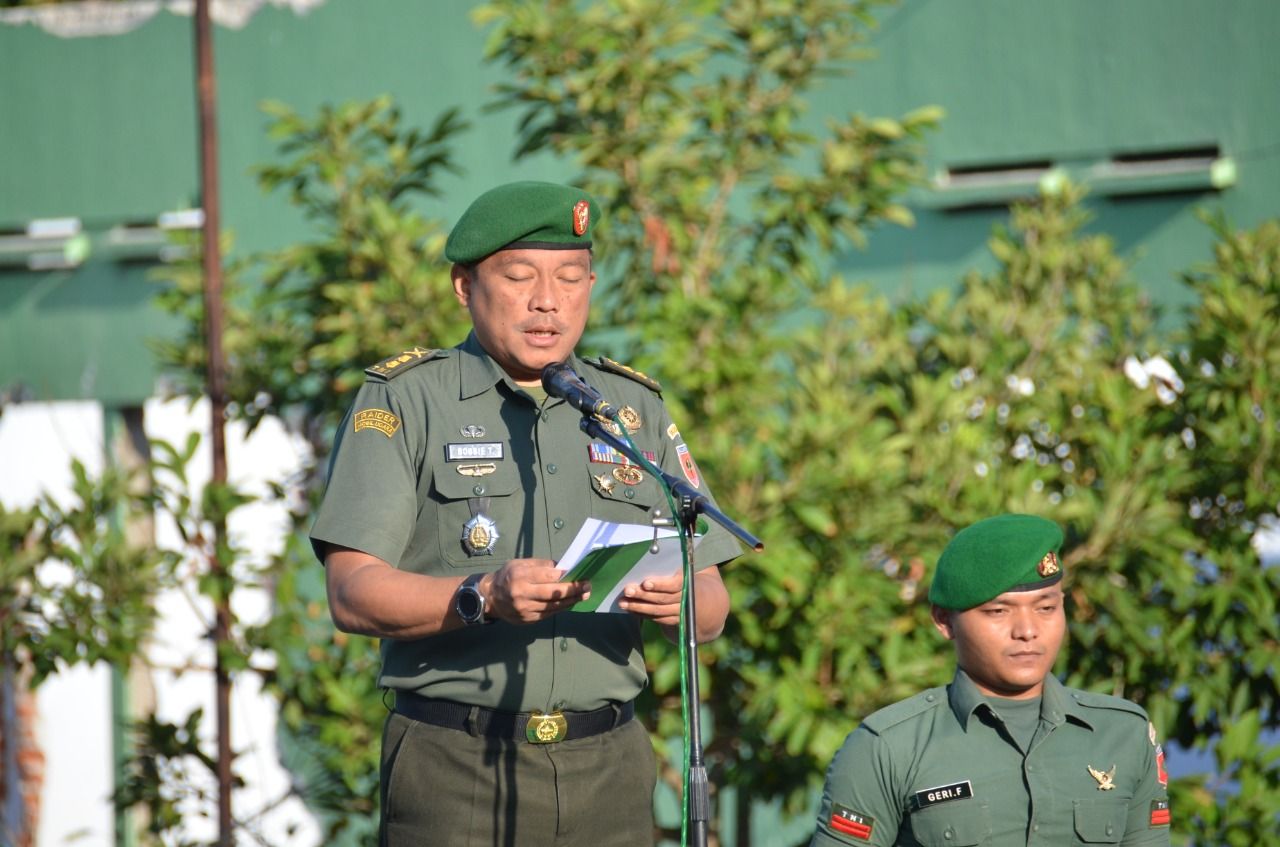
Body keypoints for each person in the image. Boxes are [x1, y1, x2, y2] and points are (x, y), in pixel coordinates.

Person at [310, 180, 742, 847]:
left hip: (611, 766)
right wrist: (481, 595)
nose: (547, 300)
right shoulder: (406, 400)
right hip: (458, 763)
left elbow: (712, 607)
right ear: (464, 286)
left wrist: (681, 599)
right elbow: (351, 592)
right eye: (519, 276)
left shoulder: (630, 409)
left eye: (570, 278)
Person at [811, 513, 1171, 846]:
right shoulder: (888, 748)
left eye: (1046, 608)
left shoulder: (1124, 735)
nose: (1028, 631)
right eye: (998, 611)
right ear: (944, 621)